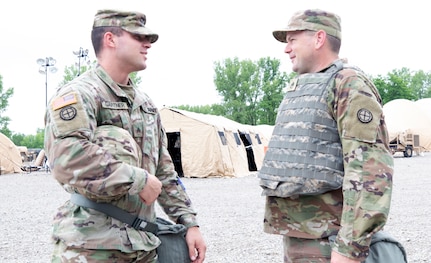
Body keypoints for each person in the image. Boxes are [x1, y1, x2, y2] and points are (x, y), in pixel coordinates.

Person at [44, 9, 206, 263]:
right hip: (90, 247)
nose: (147, 44)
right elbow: (67, 158)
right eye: (138, 37)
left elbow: (163, 170)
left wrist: (188, 222)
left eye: (149, 39)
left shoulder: (146, 104)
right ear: (110, 39)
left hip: (141, 247)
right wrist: (138, 179)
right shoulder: (79, 95)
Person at [258, 9, 394, 263]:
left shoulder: (348, 85)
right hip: (302, 238)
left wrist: (349, 250)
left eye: (292, 40)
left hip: (331, 243)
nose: (287, 49)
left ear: (319, 39)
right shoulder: (304, 87)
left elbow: (370, 172)